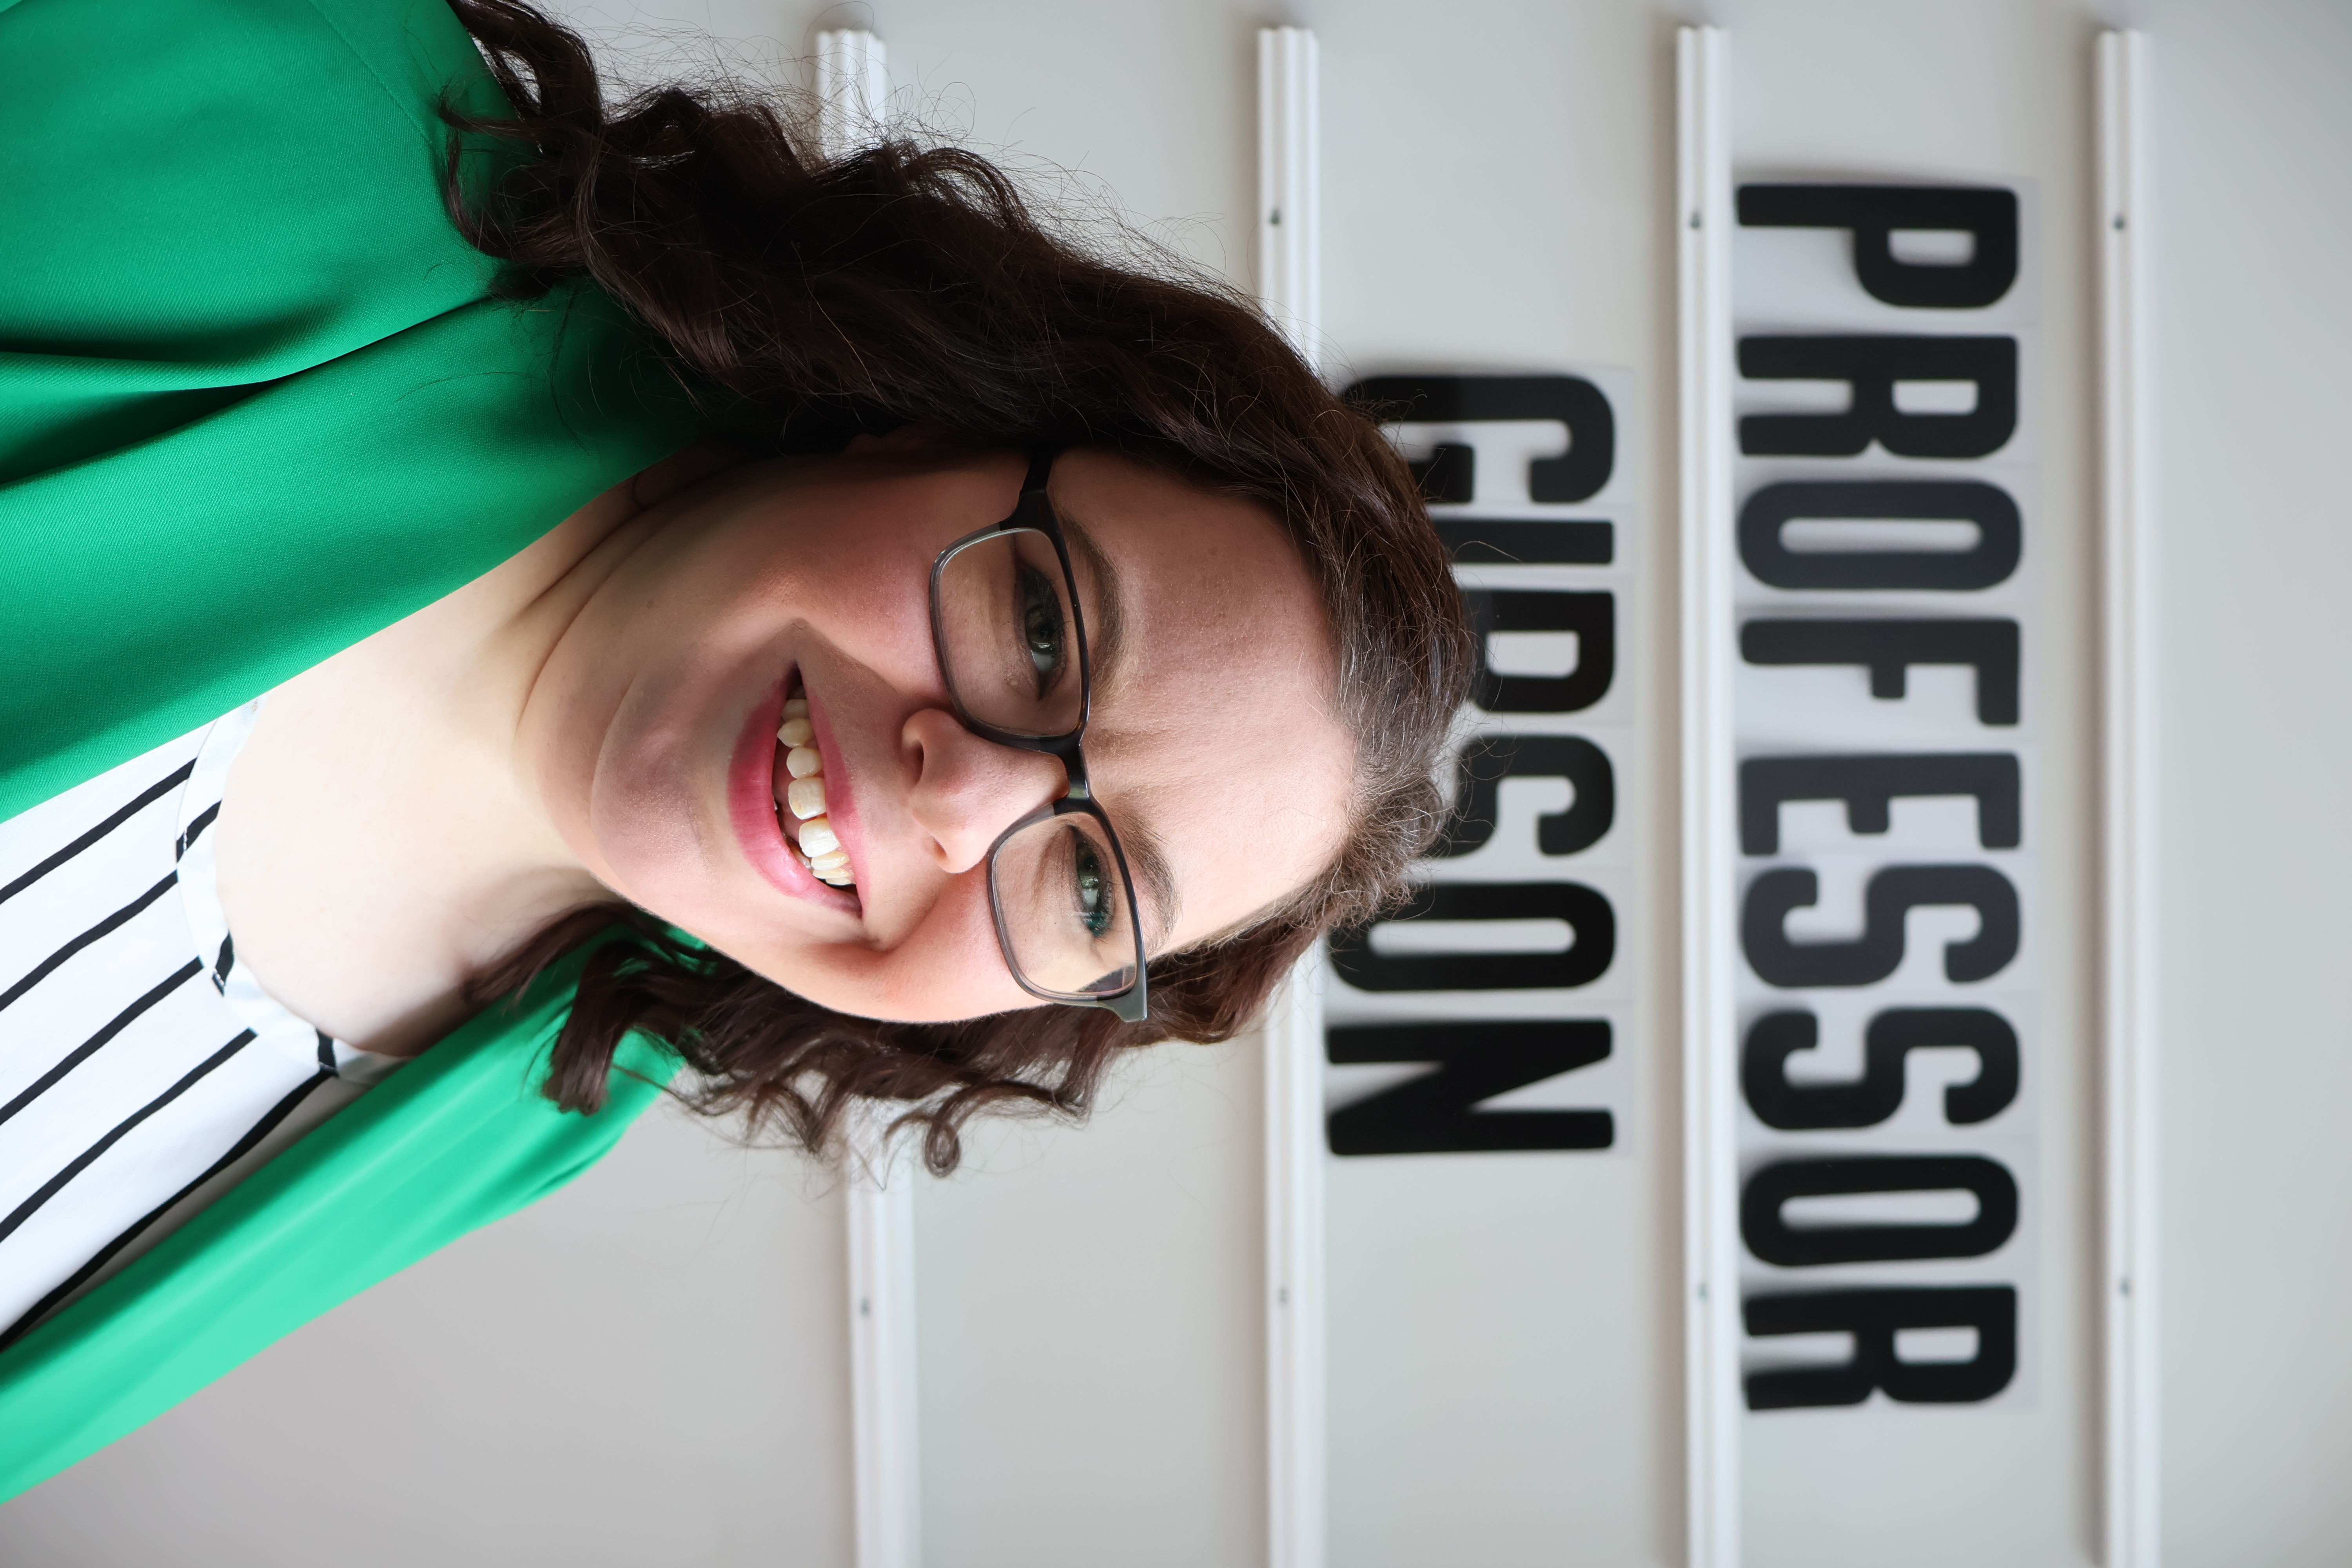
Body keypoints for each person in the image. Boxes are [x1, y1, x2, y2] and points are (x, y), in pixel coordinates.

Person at [0, 0, 1472, 1492]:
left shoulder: (521, 1111)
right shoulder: (282, 96)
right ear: (925, 419)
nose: (961, 800)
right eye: (1042, 634)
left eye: (1094, 894)